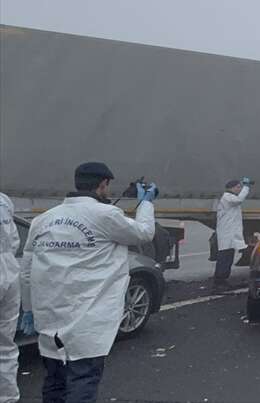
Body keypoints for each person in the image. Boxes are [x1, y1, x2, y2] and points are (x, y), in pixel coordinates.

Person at [21, 163, 158, 403]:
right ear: (103, 184)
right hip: (87, 321)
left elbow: (27, 272)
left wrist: (29, 310)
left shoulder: (43, 220)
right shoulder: (105, 216)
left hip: (49, 318)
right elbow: (144, 232)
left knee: (54, 381)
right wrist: (146, 202)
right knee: (82, 381)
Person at [0, 192, 21, 403]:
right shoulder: (3, 200)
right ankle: (7, 398)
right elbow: (14, 240)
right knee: (5, 345)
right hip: (8, 270)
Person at [213, 177, 251, 291]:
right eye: (238, 187)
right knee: (224, 258)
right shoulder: (228, 197)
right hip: (227, 234)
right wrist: (246, 187)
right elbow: (239, 200)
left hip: (229, 234)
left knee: (228, 257)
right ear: (232, 188)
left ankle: (223, 281)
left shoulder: (230, 197)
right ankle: (219, 282)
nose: (240, 189)